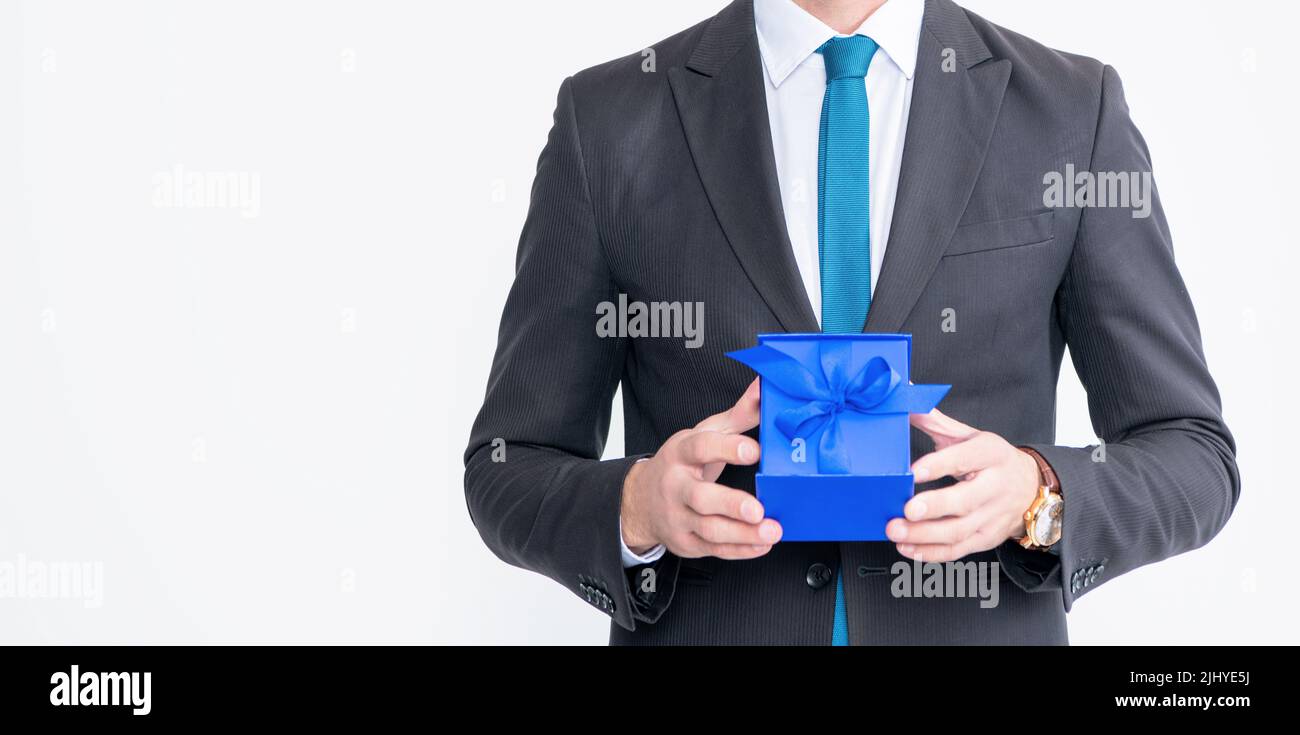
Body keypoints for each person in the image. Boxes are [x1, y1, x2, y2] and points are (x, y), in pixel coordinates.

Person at [464, 0, 1239, 644]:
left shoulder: (1072, 112)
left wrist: (1040, 494)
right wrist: (637, 504)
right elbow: (508, 463)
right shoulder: (608, 122)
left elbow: (1193, 452)